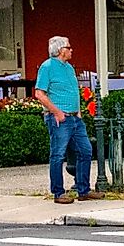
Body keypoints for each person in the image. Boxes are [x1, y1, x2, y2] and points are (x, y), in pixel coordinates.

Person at [32, 34, 92, 204]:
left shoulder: (69, 68)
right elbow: (40, 94)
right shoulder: (47, 67)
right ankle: (58, 192)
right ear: (60, 50)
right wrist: (56, 112)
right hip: (59, 118)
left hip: (75, 117)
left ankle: (83, 189)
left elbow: (75, 91)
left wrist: (79, 112)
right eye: (68, 47)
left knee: (85, 151)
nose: (71, 50)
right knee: (58, 154)